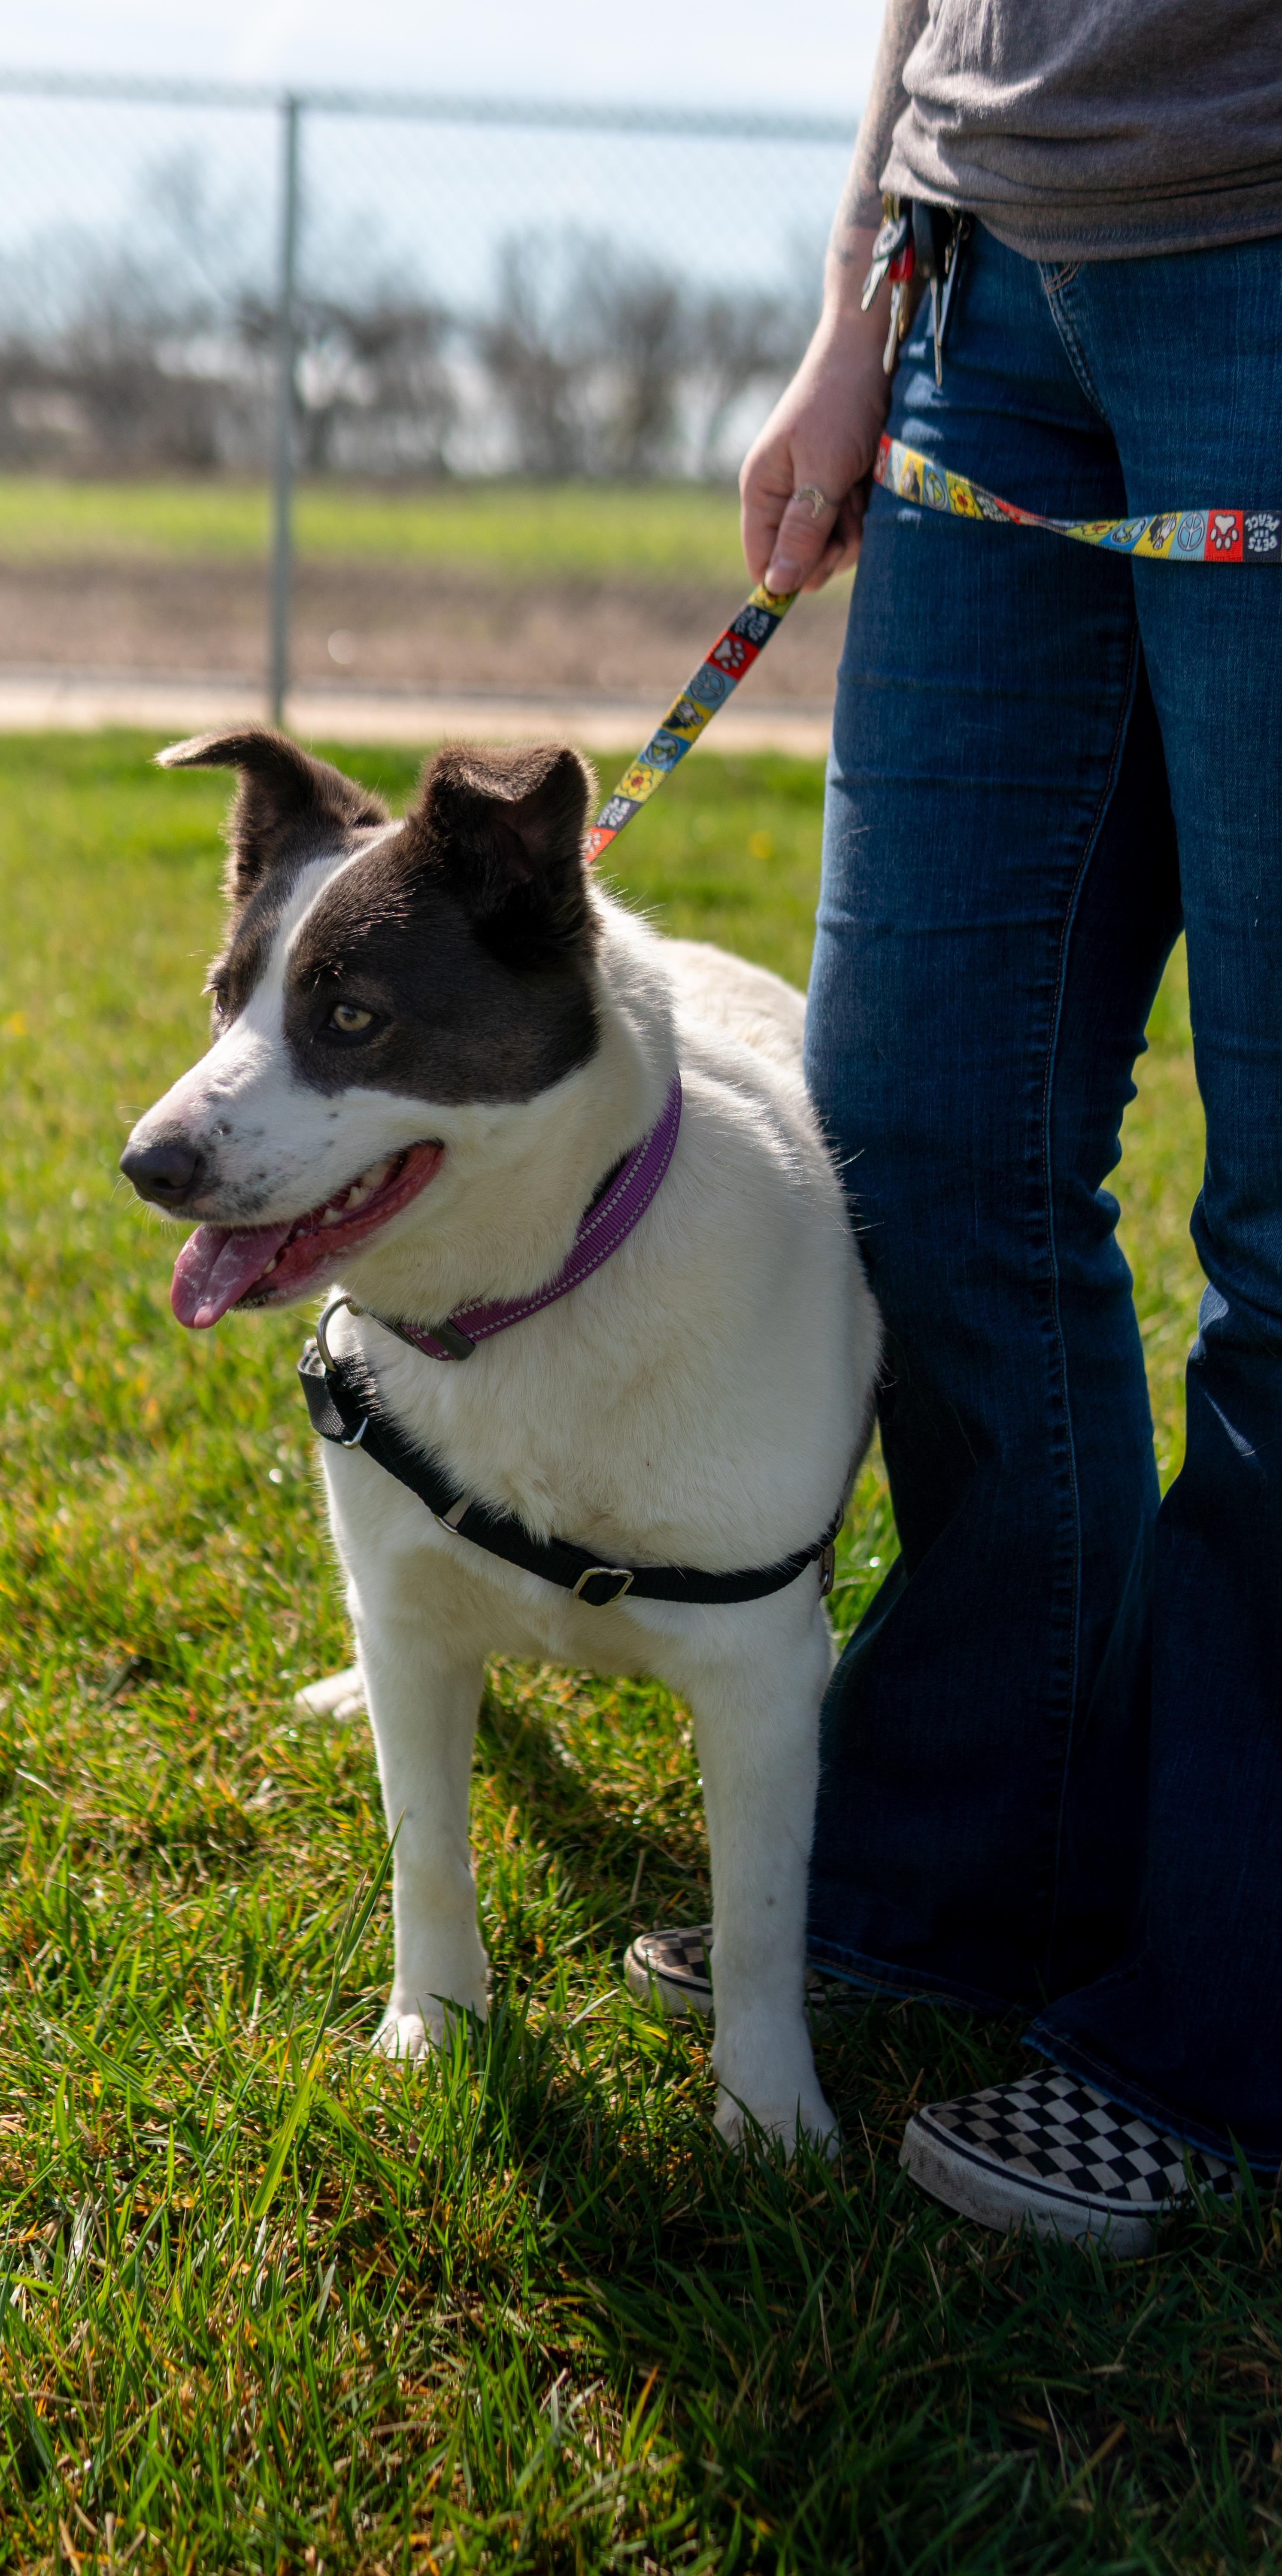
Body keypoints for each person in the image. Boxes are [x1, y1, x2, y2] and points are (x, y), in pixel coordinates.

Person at [625, 0, 1282, 2250]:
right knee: (914, 1139)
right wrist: (856, 291)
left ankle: (1226, 2015)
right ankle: (983, 1857)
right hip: (981, 275)